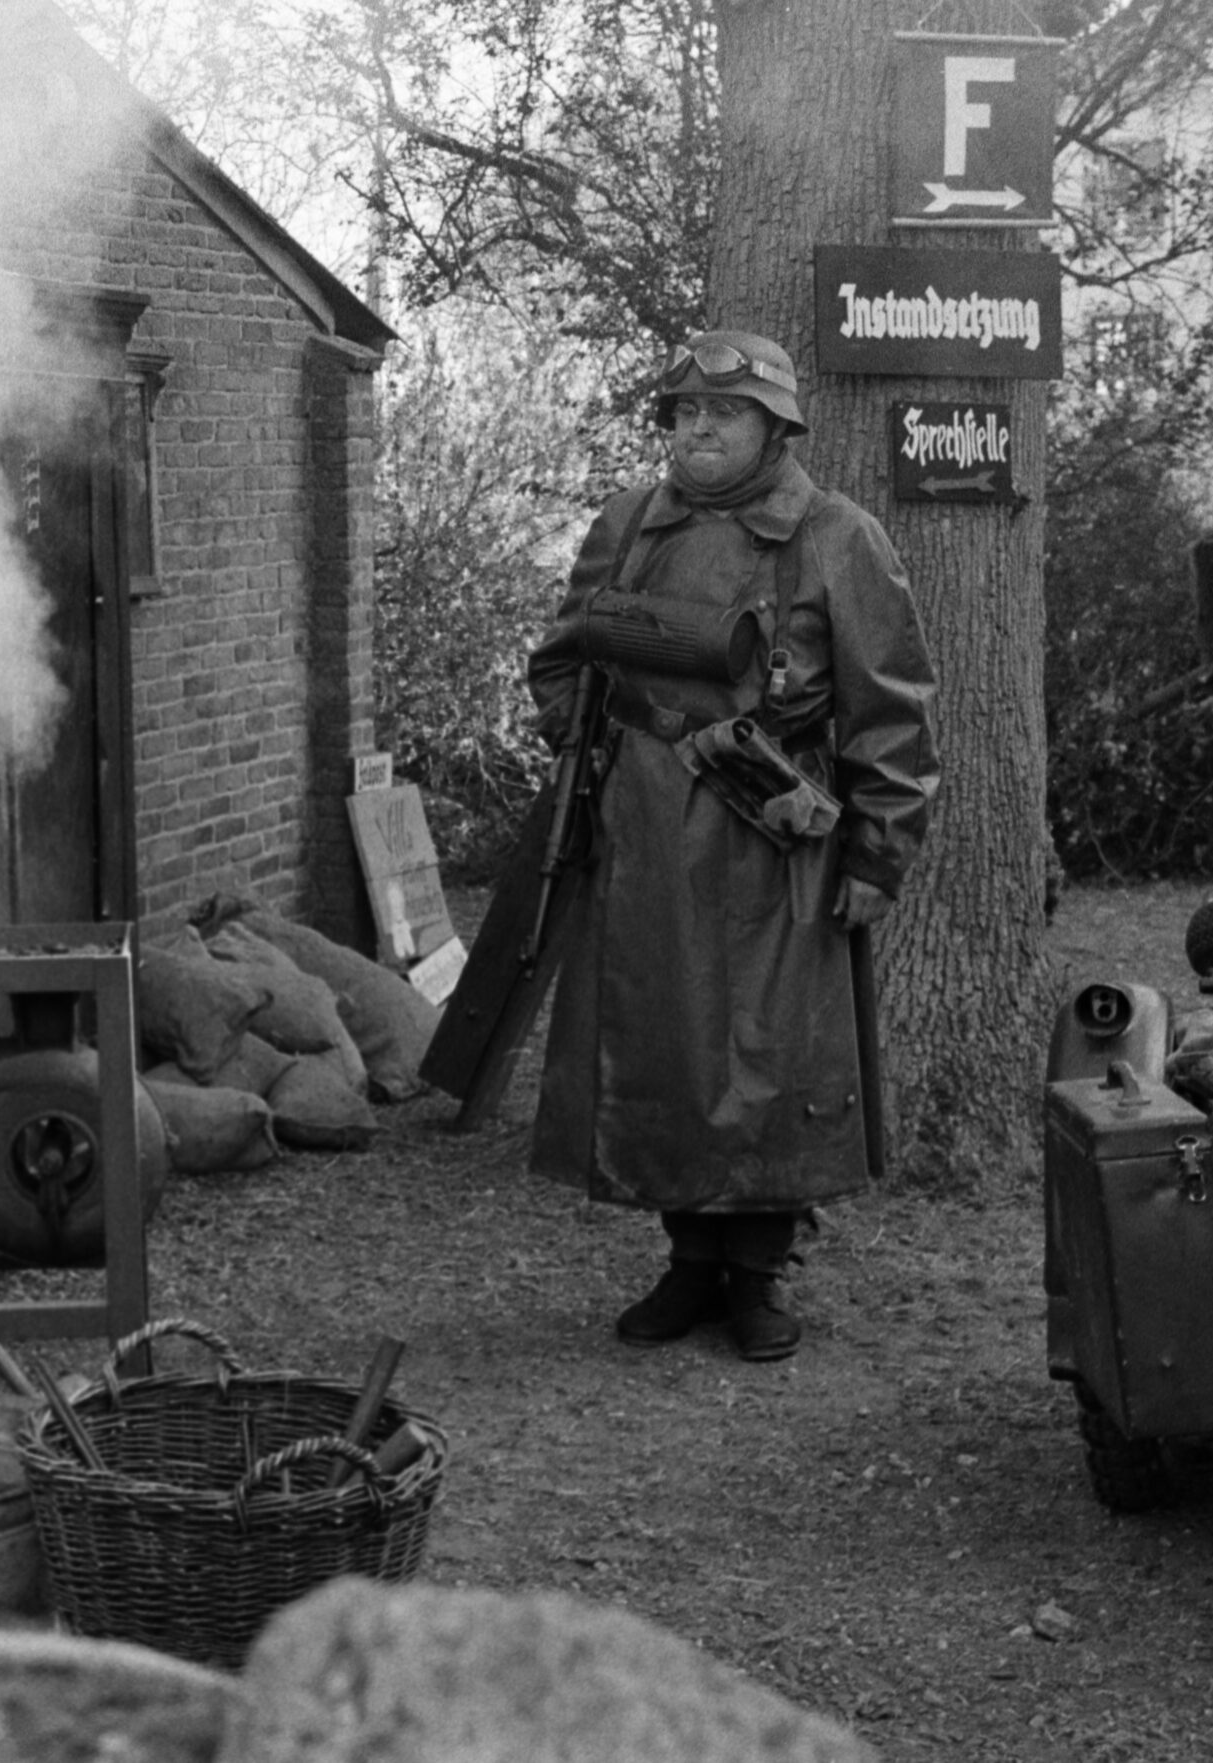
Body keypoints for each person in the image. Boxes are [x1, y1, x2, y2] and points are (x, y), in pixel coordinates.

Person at [525, 329, 939, 1362]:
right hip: (643, 840)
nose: (699, 429)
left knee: (768, 1055)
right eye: (686, 411)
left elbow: (890, 715)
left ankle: (756, 1273)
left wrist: (878, 856)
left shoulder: (839, 537)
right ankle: (688, 1261)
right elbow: (562, 659)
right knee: (662, 1044)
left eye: (726, 411)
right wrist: (593, 750)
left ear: (775, 427)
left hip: (773, 842)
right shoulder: (627, 523)